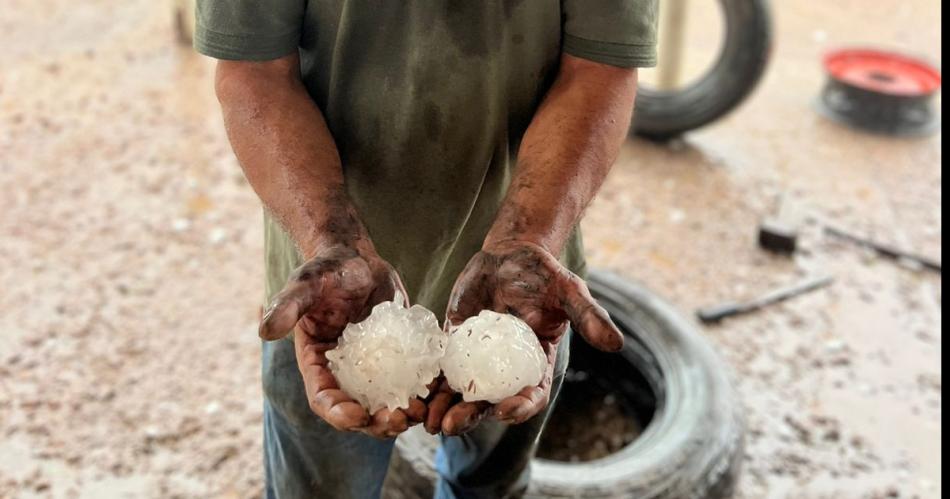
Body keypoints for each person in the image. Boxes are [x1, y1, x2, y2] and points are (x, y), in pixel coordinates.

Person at [194, 1, 657, 497]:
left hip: (523, 292)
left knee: (487, 484)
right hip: (326, 294)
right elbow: (255, 71)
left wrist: (528, 238)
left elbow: (599, 67)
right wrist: (330, 239)